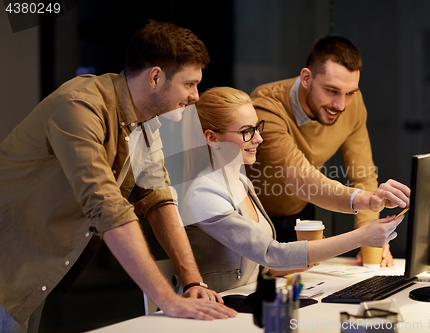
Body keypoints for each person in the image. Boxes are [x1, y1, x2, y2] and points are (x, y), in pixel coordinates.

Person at [0, 20, 237, 333]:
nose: (196, 96)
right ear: (155, 77)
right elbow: (106, 205)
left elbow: (158, 198)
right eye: (189, 84)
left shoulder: (146, 122)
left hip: (33, 266)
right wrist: (168, 299)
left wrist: (192, 281)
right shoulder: (80, 106)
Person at [180, 87, 406, 293]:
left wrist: (314, 253)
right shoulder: (204, 193)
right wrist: (361, 237)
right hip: (213, 310)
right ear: (211, 138)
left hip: (245, 301)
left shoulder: (242, 182)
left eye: (257, 128)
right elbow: (271, 254)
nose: (258, 138)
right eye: (247, 131)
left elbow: (261, 266)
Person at [245, 35, 408, 266]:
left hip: (300, 218)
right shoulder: (266, 106)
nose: (340, 105)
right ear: (306, 78)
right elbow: (300, 179)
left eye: (349, 93)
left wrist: (370, 238)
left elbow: (363, 174)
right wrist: (366, 200)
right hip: (255, 220)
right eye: (331, 91)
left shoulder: (352, 104)